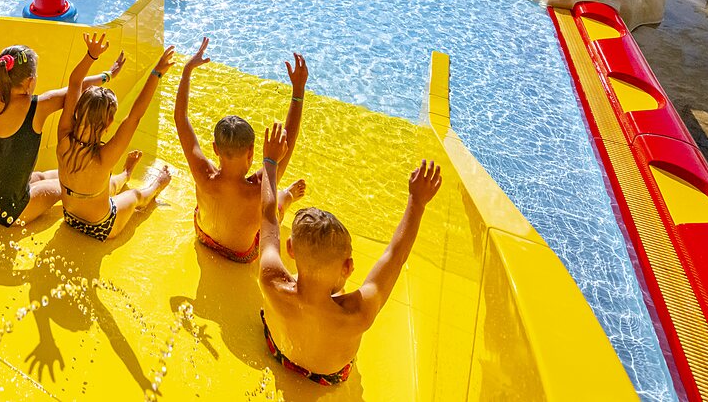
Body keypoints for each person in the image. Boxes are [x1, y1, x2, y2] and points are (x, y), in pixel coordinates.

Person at [258, 144, 442, 386]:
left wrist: (270, 162)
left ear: (290, 248)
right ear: (348, 266)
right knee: (338, 292)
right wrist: (417, 202)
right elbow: (395, 256)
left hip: (278, 352)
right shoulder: (358, 314)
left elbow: (268, 215)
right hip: (328, 377)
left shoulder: (270, 279)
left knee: (296, 280)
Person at [174, 39, 308, 262]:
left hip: (204, 237)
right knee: (274, 204)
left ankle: (285, 195)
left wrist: (187, 70)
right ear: (251, 152)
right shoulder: (260, 186)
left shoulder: (203, 173)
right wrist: (298, 91)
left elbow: (180, 119)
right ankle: (289, 195)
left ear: (215, 149)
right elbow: (289, 141)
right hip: (243, 255)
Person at [0, 44, 126, 227]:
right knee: (69, 185)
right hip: (11, 212)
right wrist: (108, 75)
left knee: (40, 177)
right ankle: (121, 178)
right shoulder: (37, 107)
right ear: (30, 81)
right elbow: (76, 87)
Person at [56, 33, 176, 241]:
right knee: (134, 196)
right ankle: (157, 184)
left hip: (70, 218)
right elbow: (135, 116)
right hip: (102, 227)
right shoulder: (104, 156)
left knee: (109, 183)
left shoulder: (64, 135)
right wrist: (156, 73)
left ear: (78, 109)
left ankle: (126, 174)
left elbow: (75, 82)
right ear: (109, 123)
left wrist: (91, 56)